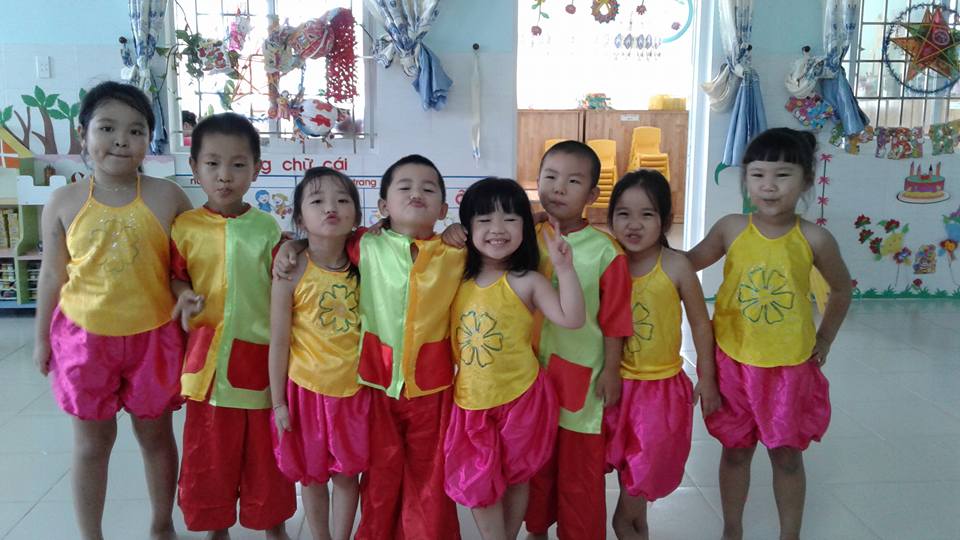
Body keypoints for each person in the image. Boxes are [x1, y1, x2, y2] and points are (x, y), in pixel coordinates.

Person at [33, 81, 192, 540]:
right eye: (107, 128)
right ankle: (91, 535)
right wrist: (42, 339)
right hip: (84, 341)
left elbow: (187, 266)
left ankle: (161, 525)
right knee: (91, 444)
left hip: (154, 339)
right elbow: (52, 275)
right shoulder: (63, 202)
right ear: (83, 134)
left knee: (156, 438)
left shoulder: (168, 197)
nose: (122, 140)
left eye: (136, 130)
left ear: (149, 140)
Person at [275, 154, 463, 539]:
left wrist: (466, 230)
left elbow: (505, 228)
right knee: (379, 474)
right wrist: (291, 245)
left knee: (429, 475)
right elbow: (322, 240)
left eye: (428, 189)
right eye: (404, 187)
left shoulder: (458, 252)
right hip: (375, 383)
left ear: (444, 209)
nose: (416, 194)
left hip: (432, 385)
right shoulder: (366, 245)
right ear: (382, 206)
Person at [685, 128, 852, 540]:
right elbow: (686, 263)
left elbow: (841, 289)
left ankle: (789, 534)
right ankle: (732, 530)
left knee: (787, 457)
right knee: (735, 453)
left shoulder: (814, 237)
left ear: (806, 181)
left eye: (782, 175)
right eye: (758, 174)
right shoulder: (730, 228)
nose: (769, 186)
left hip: (789, 369)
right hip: (732, 363)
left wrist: (825, 338)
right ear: (746, 179)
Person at [170, 112, 295, 539]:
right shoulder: (185, 228)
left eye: (238, 164)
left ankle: (273, 524)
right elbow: (176, 275)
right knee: (209, 453)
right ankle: (215, 526)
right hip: (206, 364)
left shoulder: (266, 228)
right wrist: (183, 293)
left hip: (258, 362)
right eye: (213, 163)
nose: (225, 175)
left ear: (257, 169)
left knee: (264, 453)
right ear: (195, 167)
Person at [445, 178, 581, 539]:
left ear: (524, 225)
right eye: (484, 220)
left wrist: (564, 268)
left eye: (510, 219)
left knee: (517, 475)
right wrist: (447, 234)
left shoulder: (527, 280)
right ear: (467, 227)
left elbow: (572, 318)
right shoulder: (454, 273)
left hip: (522, 398)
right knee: (478, 480)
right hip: (472, 400)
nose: (498, 229)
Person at [603, 170, 721, 539]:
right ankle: (636, 525)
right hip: (615, 386)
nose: (633, 224)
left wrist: (708, 377)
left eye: (647, 214)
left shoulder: (676, 265)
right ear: (610, 218)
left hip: (659, 391)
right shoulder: (607, 260)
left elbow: (701, 324)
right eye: (623, 213)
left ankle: (627, 524)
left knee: (642, 475)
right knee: (627, 468)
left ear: (666, 221)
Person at [525, 141, 633, 540]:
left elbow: (616, 319)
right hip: (528, 374)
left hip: (583, 378)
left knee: (579, 472)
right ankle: (536, 528)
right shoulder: (522, 236)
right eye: (550, 177)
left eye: (573, 181)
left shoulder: (606, 251)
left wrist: (612, 371)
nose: (558, 187)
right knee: (535, 461)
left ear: (591, 194)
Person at [269, 167, 370, 540]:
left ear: (355, 216)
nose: (331, 208)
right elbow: (279, 339)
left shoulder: (366, 263)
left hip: (354, 391)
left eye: (342, 200)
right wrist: (278, 402)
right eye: (317, 201)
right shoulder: (291, 269)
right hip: (305, 392)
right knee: (311, 476)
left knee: (347, 474)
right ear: (299, 217)